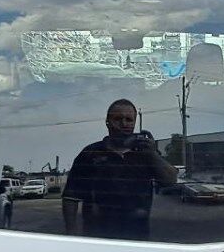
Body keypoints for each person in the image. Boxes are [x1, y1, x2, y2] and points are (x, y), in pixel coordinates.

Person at [62, 99, 178, 240]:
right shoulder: (90, 153)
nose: (124, 124)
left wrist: (152, 154)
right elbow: (71, 197)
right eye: (118, 119)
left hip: (137, 238)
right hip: (97, 237)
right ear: (107, 122)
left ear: (134, 123)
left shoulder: (146, 153)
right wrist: (71, 234)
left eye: (129, 120)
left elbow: (171, 180)